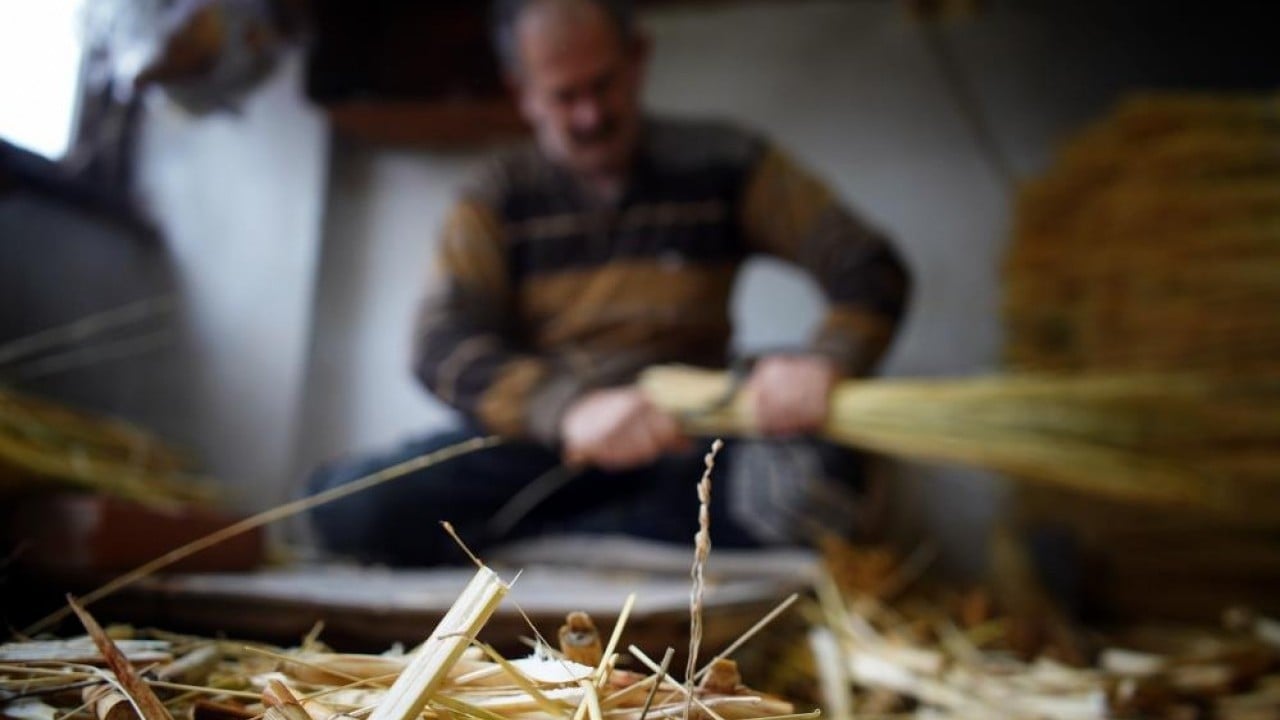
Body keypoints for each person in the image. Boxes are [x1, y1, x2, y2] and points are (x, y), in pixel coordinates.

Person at [307, 0, 910, 566]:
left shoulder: (725, 160)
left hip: (690, 444)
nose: (591, 115)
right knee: (348, 511)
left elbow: (869, 265)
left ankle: (561, 542)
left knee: (814, 487)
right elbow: (441, 343)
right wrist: (570, 409)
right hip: (543, 447)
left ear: (637, 58)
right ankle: (602, 535)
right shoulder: (497, 194)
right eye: (565, 96)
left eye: (604, 84)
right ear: (523, 94)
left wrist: (824, 361)